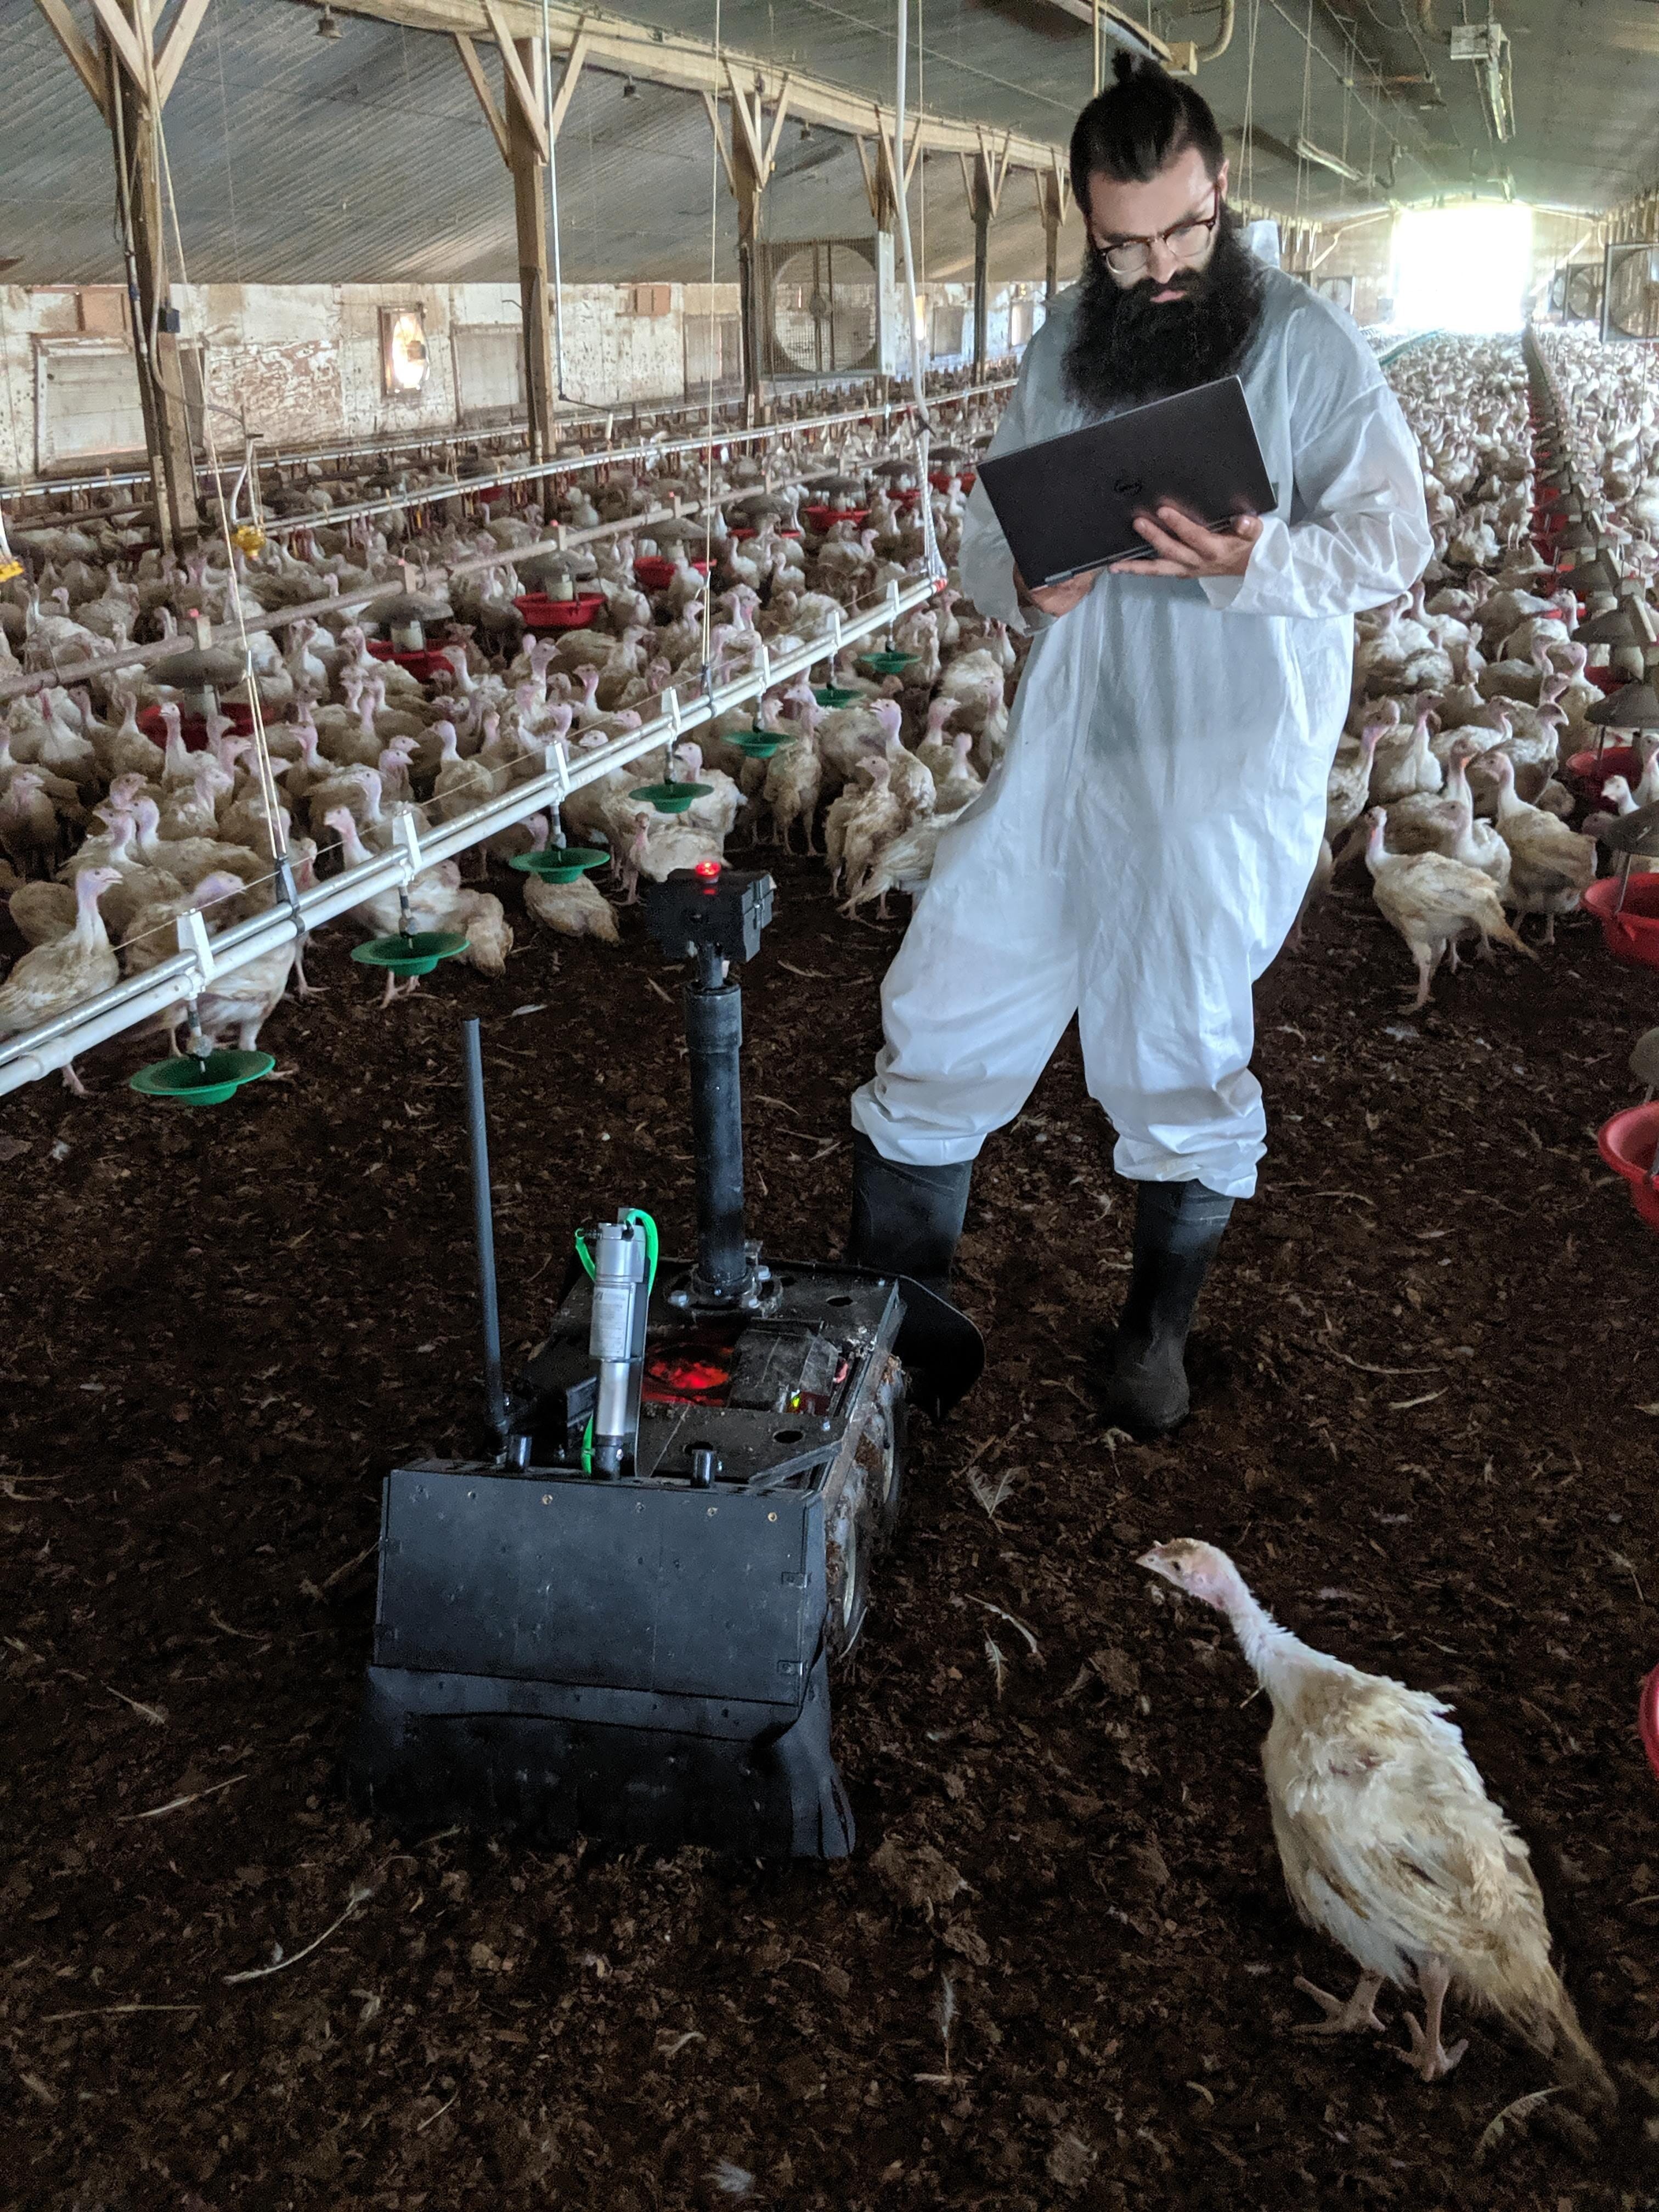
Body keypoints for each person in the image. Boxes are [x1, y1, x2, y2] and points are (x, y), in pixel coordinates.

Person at [846, 53, 1432, 1437]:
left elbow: (1396, 540)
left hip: (1221, 766)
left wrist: (1257, 552)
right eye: (1124, 249)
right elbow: (995, 534)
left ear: (1221, 197)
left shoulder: (1305, 347)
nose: (1160, 269)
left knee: (1175, 1044)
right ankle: (895, 1334)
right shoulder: (1066, 342)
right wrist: (1024, 585)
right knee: (945, 998)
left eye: (1183, 232)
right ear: (1088, 233)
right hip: (1069, 747)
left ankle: (1155, 1333)